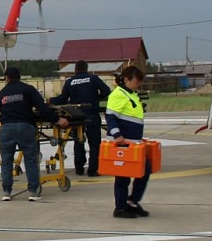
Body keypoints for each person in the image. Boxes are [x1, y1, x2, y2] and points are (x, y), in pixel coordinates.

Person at [0, 67, 69, 201]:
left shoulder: (2, 93)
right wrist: (57, 119)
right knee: (30, 159)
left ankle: (6, 192)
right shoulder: (28, 89)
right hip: (25, 126)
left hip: (6, 128)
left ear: (7, 78)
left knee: (6, 161)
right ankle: (33, 191)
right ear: (19, 76)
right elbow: (42, 108)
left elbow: (1, 110)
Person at [50, 59, 110, 176]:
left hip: (76, 116)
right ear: (86, 68)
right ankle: (93, 169)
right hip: (92, 114)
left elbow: (62, 99)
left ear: (75, 69)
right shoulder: (93, 79)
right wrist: (97, 97)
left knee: (78, 141)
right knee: (94, 143)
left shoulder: (70, 82)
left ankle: (79, 168)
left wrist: (51, 101)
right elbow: (106, 91)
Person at [105, 65, 150, 217]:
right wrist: (117, 135)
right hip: (123, 143)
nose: (138, 84)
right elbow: (111, 117)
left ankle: (132, 201)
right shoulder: (118, 94)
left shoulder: (131, 94)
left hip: (133, 142)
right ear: (126, 80)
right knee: (123, 176)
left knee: (144, 170)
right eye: (136, 81)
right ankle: (120, 207)